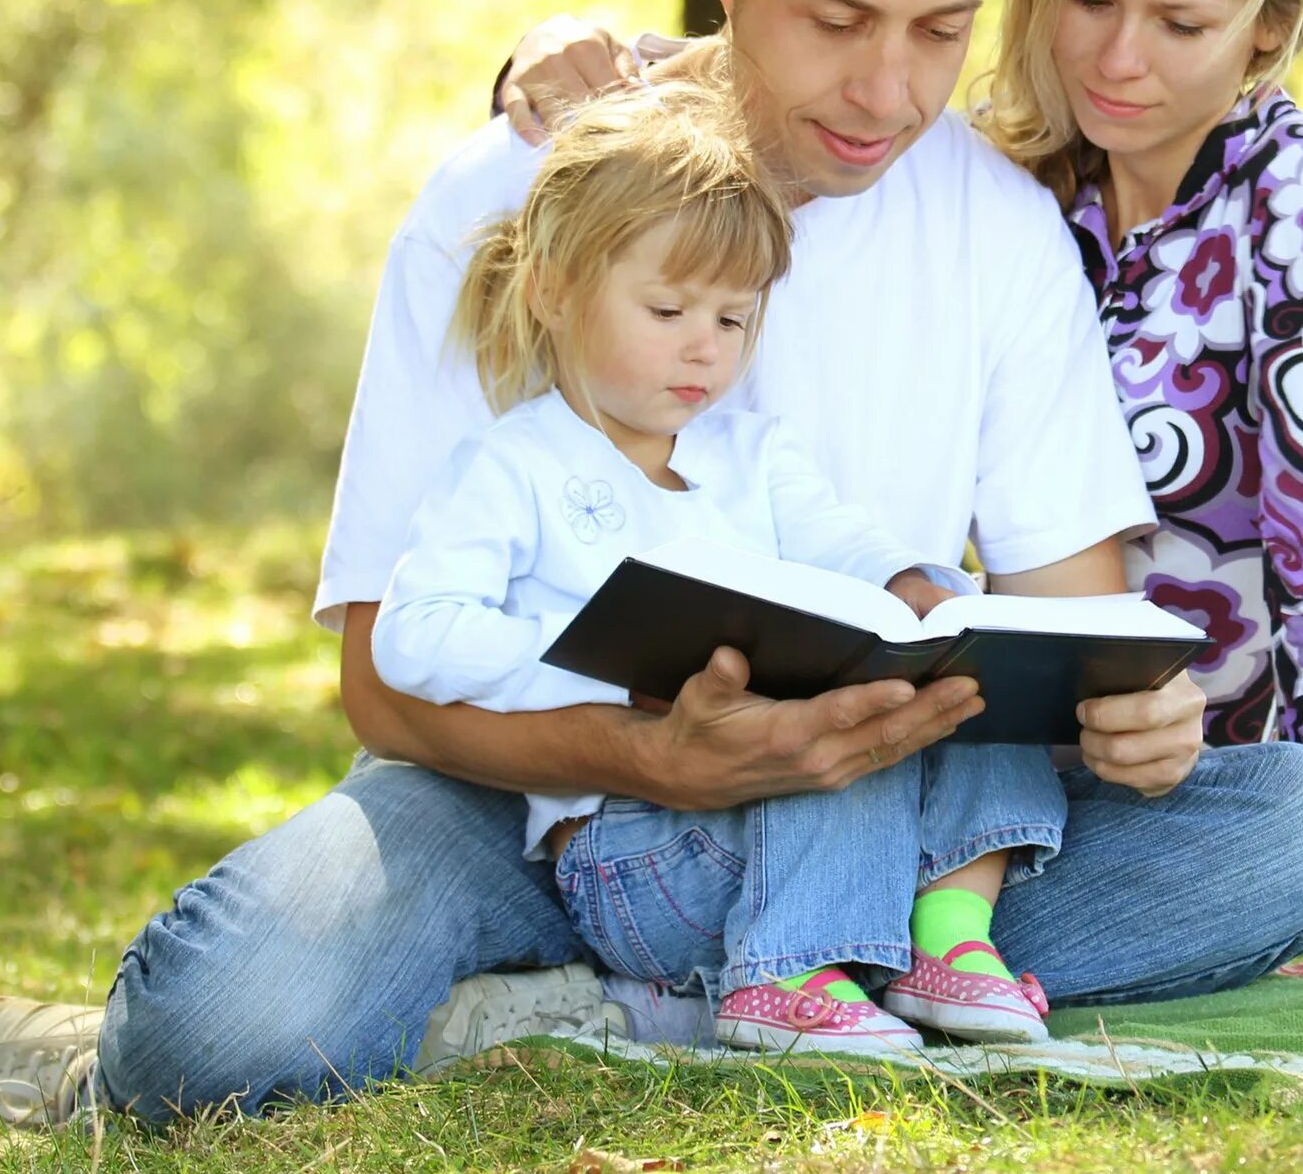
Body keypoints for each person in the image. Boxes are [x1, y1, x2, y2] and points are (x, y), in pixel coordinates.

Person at [0, 0, 1303, 1143]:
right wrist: (644, 753)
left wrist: (1132, 718)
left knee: (1290, 830)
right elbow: (383, 679)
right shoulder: (505, 198)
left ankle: (600, 1016)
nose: (887, 90)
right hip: (524, 806)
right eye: (835, 19)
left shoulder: (997, 230)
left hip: (857, 812)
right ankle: (708, 998)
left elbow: (1065, 630)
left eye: (939, 29)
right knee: (220, 1028)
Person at [488, 0, 1303, 978]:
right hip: (991, 736)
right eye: (1089, 1)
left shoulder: (1299, 204)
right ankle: (860, 961)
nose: (1118, 57)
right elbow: (748, 84)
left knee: (1294, 829)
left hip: (1180, 749)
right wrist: (550, 60)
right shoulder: (1017, 171)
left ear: (1263, 26)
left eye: (1179, 24)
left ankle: (826, 961)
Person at [372, 65, 1064, 1054]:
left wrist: (910, 589)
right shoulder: (514, 466)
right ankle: (782, 976)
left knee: (971, 694)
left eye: (732, 319)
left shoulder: (753, 454)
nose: (705, 350)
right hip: (636, 846)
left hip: (764, 829)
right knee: (828, 742)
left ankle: (948, 943)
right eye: (668, 313)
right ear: (553, 290)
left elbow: (841, 541)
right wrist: (619, 669)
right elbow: (414, 637)